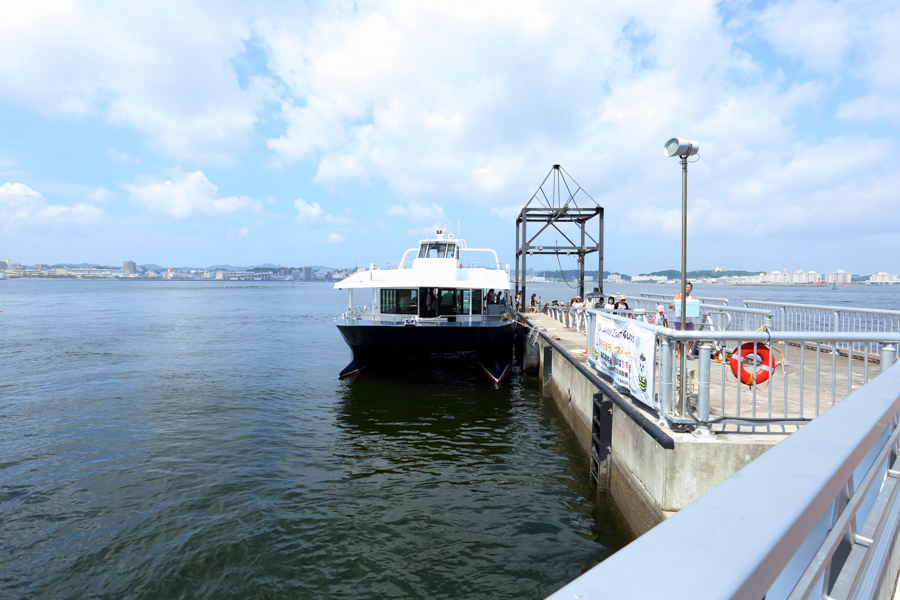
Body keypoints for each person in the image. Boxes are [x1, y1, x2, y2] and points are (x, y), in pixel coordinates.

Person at [670, 282, 697, 359]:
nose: (688, 289)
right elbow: (670, 305)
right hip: (678, 320)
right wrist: (673, 306)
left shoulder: (692, 298)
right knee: (678, 337)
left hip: (689, 321)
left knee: (691, 337)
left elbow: (695, 307)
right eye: (686, 287)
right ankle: (678, 354)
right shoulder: (678, 296)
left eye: (689, 288)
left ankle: (687, 352)